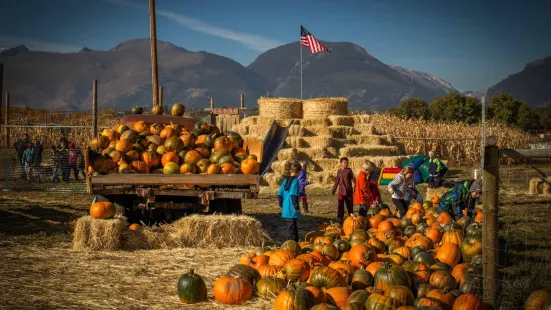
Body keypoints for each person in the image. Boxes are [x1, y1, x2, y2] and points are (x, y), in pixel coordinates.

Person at [277, 162, 303, 242]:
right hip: (292, 208)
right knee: (291, 229)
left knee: (292, 226)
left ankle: (295, 242)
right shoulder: (295, 181)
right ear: (298, 172)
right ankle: (291, 244)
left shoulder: (285, 180)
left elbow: (279, 194)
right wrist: (297, 208)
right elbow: (294, 195)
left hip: (286, 208)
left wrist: (281, 204)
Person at [332, 157, 356, 221]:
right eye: (345, 162)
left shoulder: (349, 170)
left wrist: (356, 184)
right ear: (341, 163)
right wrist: (334, 189)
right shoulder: (339, 171)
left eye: (347, 162)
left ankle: (351, 215)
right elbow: (337, 181)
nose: (346, 163)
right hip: (341, 191)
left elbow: (353, 178)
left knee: (350, 204)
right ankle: (340, 217)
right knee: (340, 204)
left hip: (348, 191)